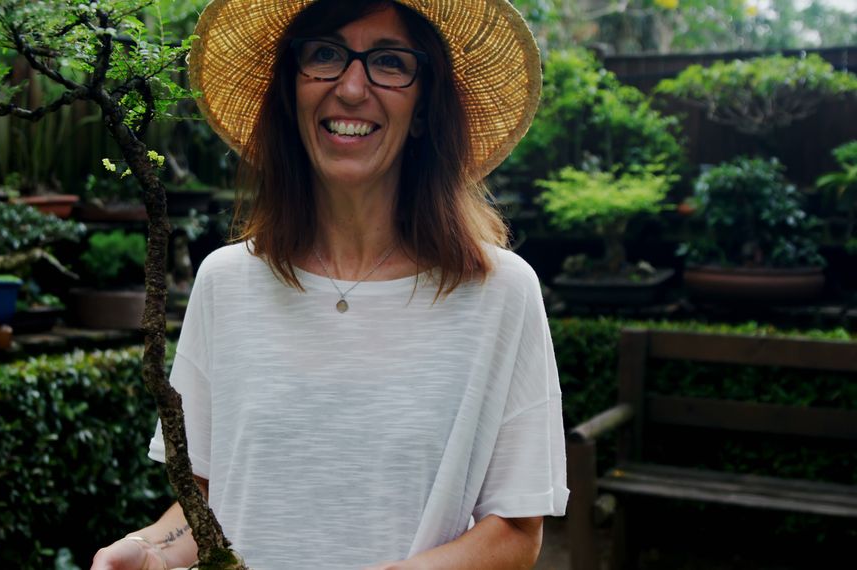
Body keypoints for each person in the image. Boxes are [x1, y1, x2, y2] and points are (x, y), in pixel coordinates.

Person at [91, 0, 567, 568]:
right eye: (324, 55)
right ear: (292, 92)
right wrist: (151, 552)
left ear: (422, 109)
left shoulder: (500, 294)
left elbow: (516, 529)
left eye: (390, 62)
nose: (351, 87)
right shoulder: (225, 284)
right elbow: (208, 500)